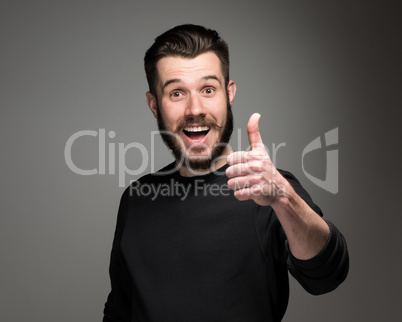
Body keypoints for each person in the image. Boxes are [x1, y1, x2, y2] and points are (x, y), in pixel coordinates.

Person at [103, 24, 349, 322]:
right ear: (154, 105)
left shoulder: (268, 189)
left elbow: (327, 275)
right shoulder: (137, 199)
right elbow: (119, 310)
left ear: (228, 94)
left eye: (208, 89)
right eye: (177, 93)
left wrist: (284, 199)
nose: (195, 109)